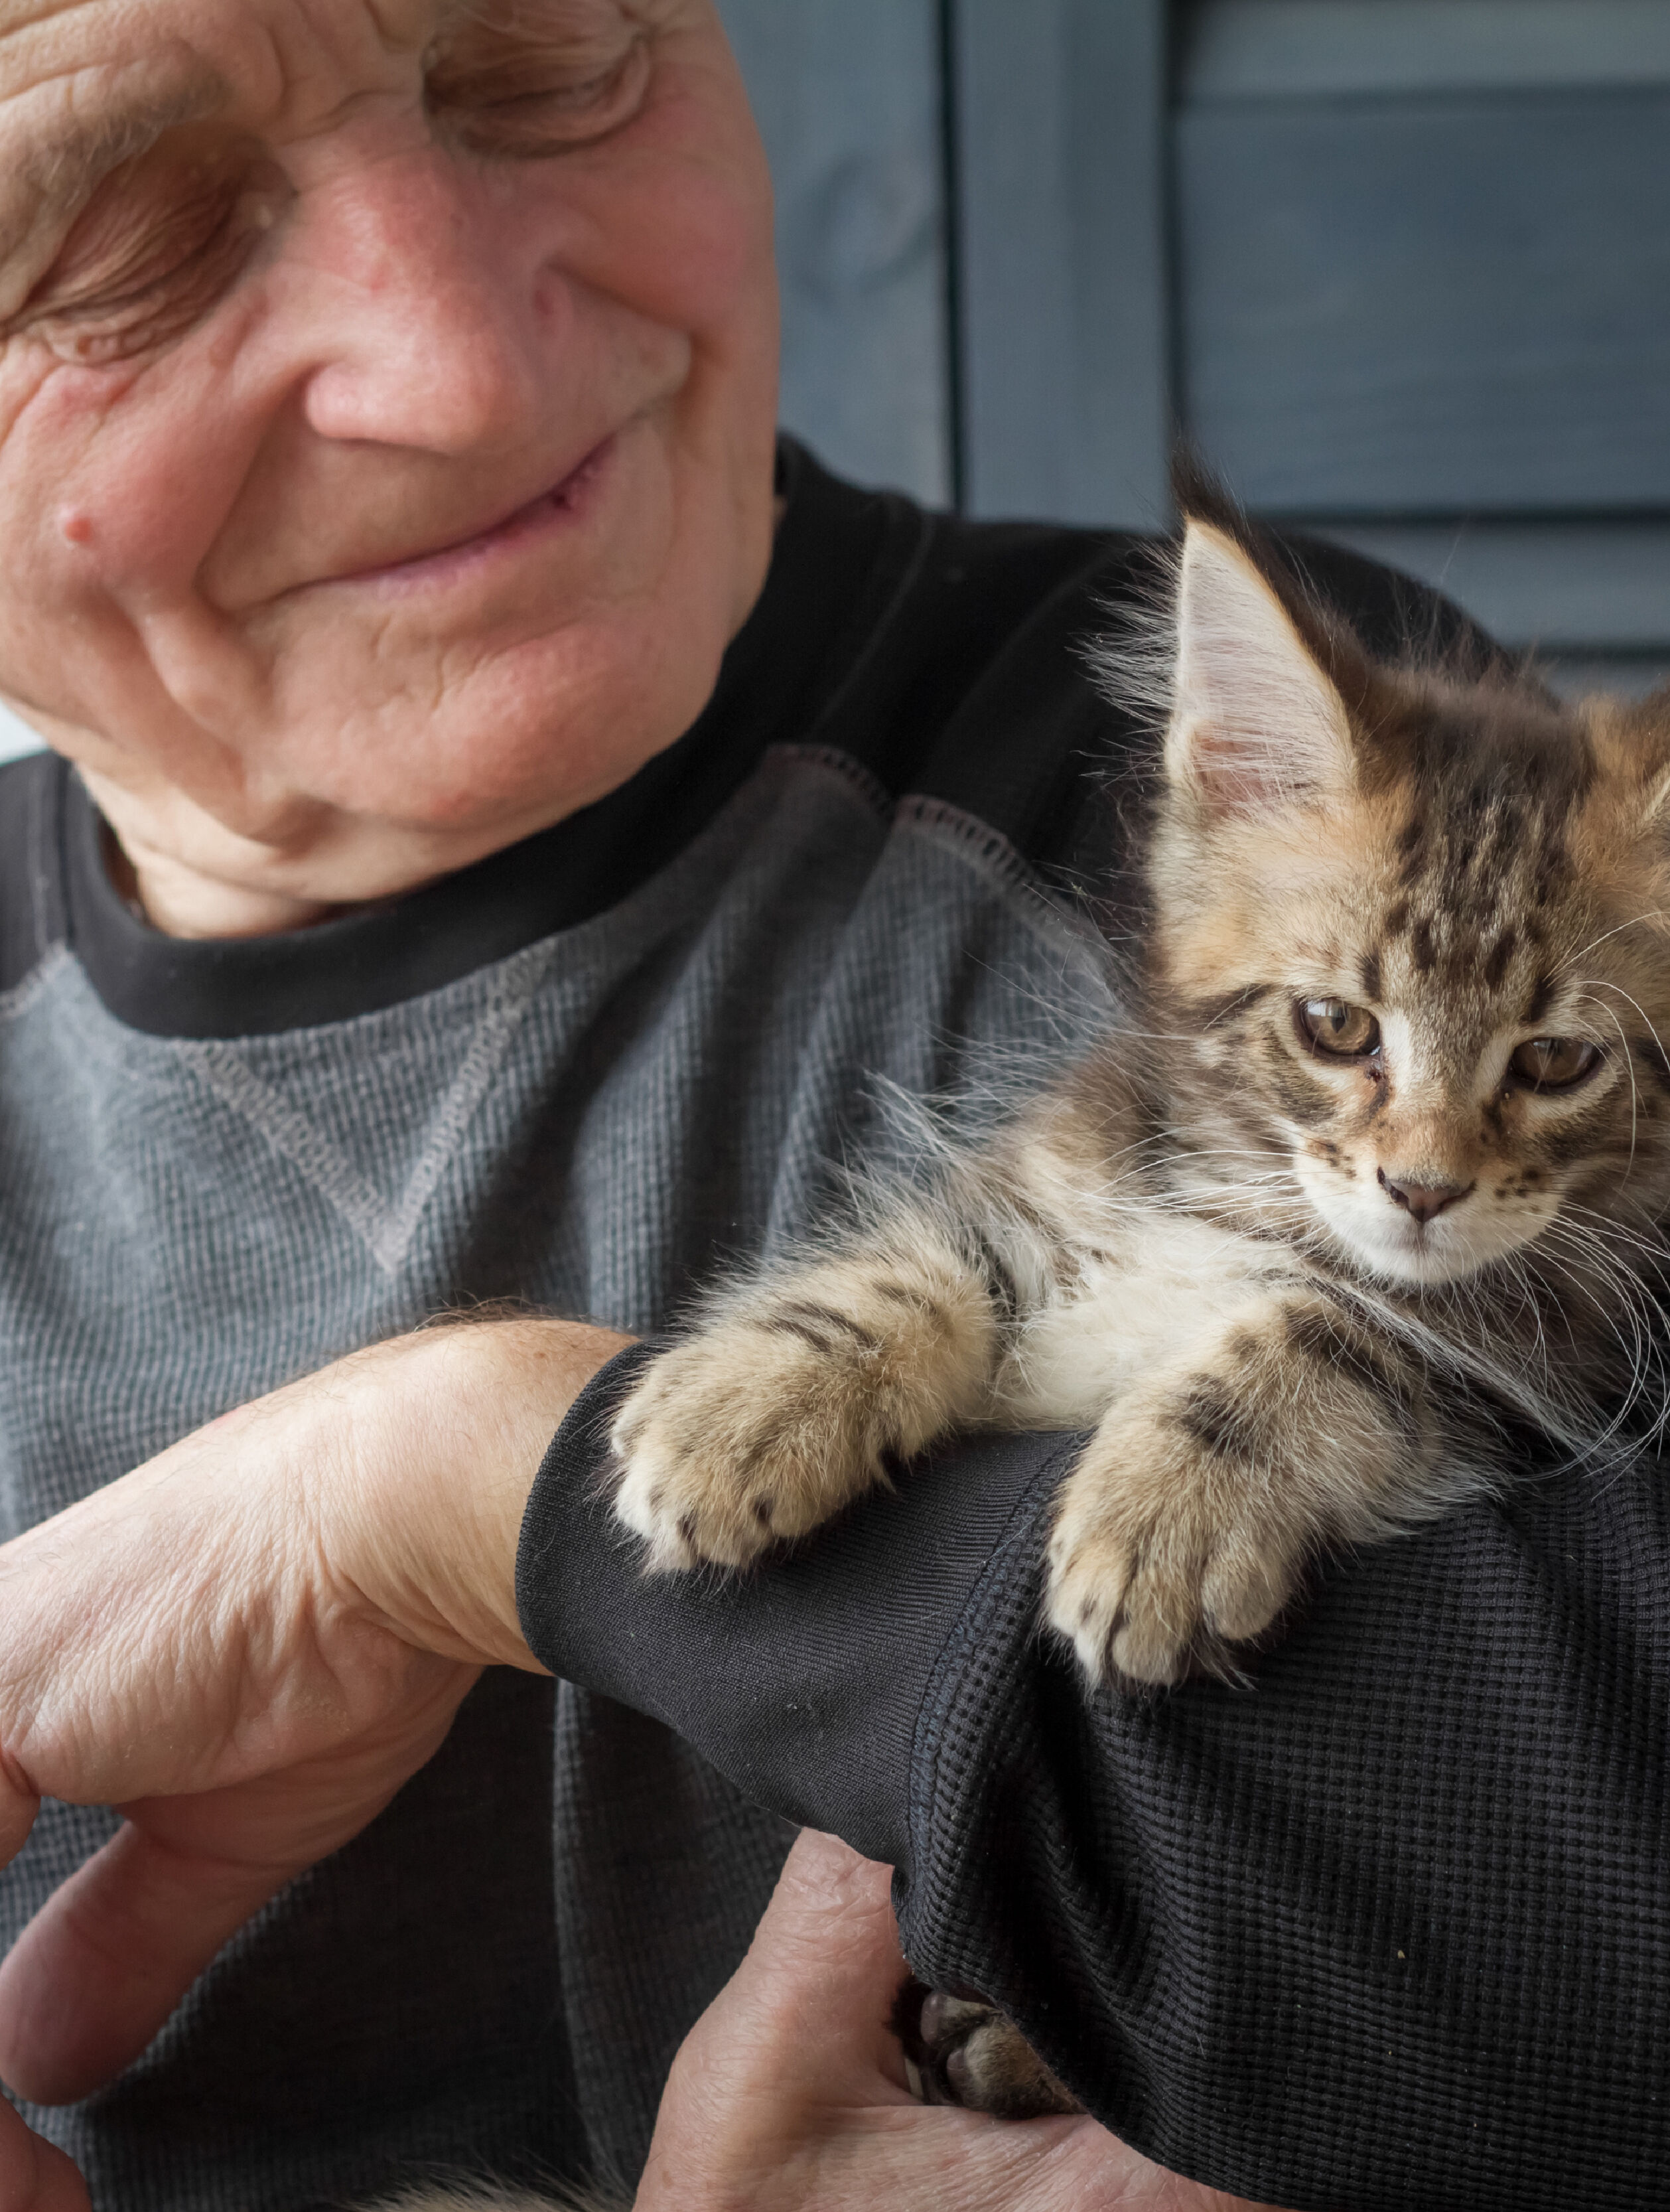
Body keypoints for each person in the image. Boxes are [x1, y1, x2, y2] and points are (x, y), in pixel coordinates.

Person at [0, 4, 1663, 2210]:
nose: (464, 370)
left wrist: (483, 1481)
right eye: (124, 247)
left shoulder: (1257, 754)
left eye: (541, 63)